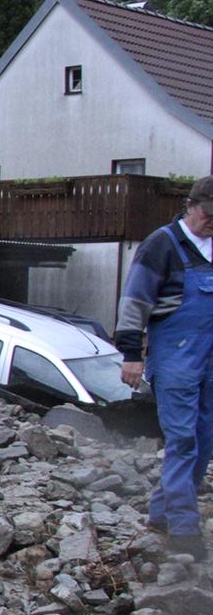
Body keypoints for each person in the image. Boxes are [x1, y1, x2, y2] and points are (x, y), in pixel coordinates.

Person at [117, 175, 213, 558]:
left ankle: (160, 514)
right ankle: (184, 529)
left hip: (210, 361)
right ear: (191, 205)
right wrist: (131, 355)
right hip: (175, 359)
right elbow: (134, 303)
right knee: (183, 441)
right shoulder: (162, 244)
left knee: (204, 444)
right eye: (209, 214)